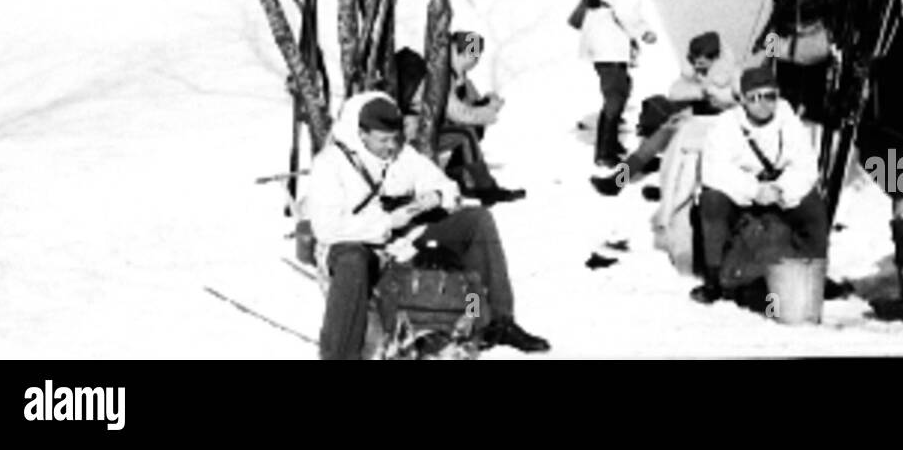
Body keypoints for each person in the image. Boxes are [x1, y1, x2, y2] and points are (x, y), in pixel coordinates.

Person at [306, 90, 549, 358]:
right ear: (362, 134)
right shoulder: (329, 165)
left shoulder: (401, 154)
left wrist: (436, 195)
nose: (390, 146)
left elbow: (446, 186)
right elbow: (326, 228)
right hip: (352, 244)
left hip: (403, 234)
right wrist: (385, 222)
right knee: (353, 261)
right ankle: (339, 353)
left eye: (394, 139)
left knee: (477, 220)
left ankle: (496, 320)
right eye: (383, 140)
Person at [690, 64, 830, 304]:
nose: (763, 103)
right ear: (743, 100)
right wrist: (754, 190)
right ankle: (714, 279)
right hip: (742, 193)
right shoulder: (725, 126)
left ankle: (814, 273)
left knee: (813, 206)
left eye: (770, 96)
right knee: (712, 201)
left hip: (780, 191)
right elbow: (715, 170)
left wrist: (781, 189)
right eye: (755, 98)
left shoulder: (790, 123)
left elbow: (806, 166)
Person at [591, 30, 738, 196]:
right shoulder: (695, 70)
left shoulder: (730, 76)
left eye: (701, 63)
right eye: (694, 62)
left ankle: (670, 192)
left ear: (713, 59)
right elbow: (676, 92)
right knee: (654, 141)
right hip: (693, 115)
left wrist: (709, 98)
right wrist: (699, 93)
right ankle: (617, 180)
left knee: (687, 156)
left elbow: (732, 104)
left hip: (716, 127)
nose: (697, 67)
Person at [395, 33, 524, 206]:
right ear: (457, 52)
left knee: (467, 131)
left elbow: (468, 103)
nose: (474, 60)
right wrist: (488, 113)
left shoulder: (457, 75)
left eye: (476, 56)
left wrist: (486, 104)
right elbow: (459, 113)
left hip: (426, 126)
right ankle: (486, 189)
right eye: (471, 55)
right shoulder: (442, 74)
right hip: (415, 130)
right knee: (466, 134)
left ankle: (462, 180)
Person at [579, 0, 662, 168]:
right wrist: (643, 31)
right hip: (610, 35)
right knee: (615, 92)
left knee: (621, 86)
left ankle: (611, 143)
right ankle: (605, 152)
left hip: (597, 30)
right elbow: (625, 9)